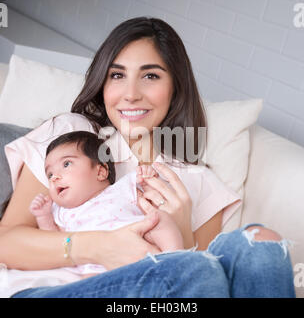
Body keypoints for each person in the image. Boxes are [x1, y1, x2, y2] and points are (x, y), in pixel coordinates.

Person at [0, 17, 295, 298]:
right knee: (193, 270)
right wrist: (99, 247)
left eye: (150, 76)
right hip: (51, 289)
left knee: (261, 243)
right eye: (117, 75)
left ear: (175, 86)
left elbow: (204, 281)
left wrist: (183, 234)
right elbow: (6, 242)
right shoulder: (71, 137)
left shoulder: (198, 181)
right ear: (103, 84)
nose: (130, 94)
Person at [29, 130, 184, 278]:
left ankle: (176, 261)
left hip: (141, 245)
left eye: (66, 164)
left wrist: (147, 176)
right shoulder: (61, 211)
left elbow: (150, 202)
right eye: (49, 174)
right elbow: (55, 242)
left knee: (159, 218)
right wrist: (44, 217)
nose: (54, 177)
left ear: (101, 171)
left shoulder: (121, 189)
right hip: (98, 269)